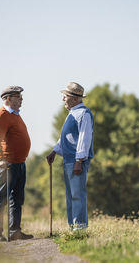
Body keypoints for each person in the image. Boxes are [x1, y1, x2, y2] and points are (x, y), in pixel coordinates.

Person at [46, 82, 94, 230]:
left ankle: (80, 228)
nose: (63, 100)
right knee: (70, 196)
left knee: (77, 195)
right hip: (68, 160)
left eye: (65, 96)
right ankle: (73, 226)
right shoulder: (72, 114)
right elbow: (65, 137)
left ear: (74, 98)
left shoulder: (84, 114)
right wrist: (55, 151)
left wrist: (79, 160)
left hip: (76, 161)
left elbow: (84, 138)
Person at [0, 85, 33, 241]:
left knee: (17, 198)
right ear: (8, 99)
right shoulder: (2, 115)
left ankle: (14, 232)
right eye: (18, 97)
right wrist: (0, 158)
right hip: (6, 164)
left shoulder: (15, 115)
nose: (21, 99)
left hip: (19, 163)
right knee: (1, 198)